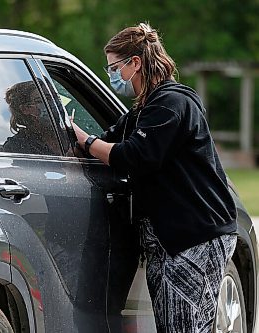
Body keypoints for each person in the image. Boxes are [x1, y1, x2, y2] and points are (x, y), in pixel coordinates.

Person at [72, 22, 237, 332]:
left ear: (135, 63)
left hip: (195, 235)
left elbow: (134, 156)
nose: (112, 76)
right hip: (169, 237)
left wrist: (88, 142)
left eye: (114, 67)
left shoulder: (172, 103)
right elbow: (111, 139)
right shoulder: (143, 110)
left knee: (181, 326)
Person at [3, 80, 60, 155]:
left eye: (56, 98)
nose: (54, 104)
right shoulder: (17, 146)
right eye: (45, 99)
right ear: (25, 109)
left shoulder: (70, 135)